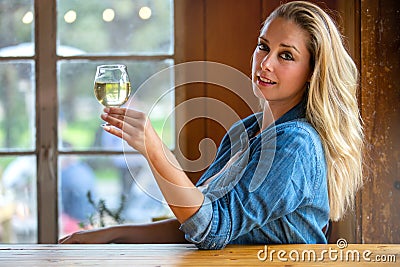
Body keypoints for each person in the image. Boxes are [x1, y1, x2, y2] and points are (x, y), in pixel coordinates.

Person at [59, 1, 363, 249]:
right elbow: (197, 220)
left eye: (286, 55)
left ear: (312, 71)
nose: (265, 63)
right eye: (263, 46)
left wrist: (153, 148)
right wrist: (115, 233)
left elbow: (212, 229)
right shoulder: (246, 131)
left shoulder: (296, 144)